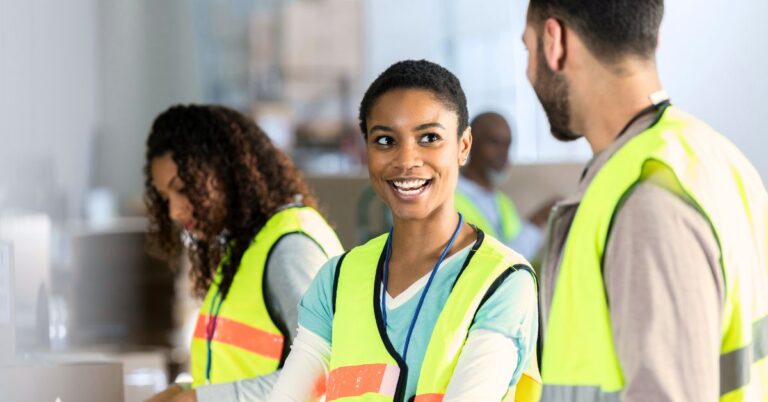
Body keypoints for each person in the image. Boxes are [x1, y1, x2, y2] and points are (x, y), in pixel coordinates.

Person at [522, 0, 768, 400]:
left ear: (554, 42)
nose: (528, 70)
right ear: (652, 36)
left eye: (527, 50)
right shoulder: (715, 156)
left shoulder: (645, 198)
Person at [264, 60, 540, 402]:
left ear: (463, 145)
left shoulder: (502, 281)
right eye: (385, 140)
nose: (407, 159)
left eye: (429, 137)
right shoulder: (336, 280)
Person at [142, 105, 344, 402]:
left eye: (183, 188)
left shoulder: (290, 246)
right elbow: (233, 369)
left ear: (226, 168)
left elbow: (325, 372)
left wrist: (199, 400)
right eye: (166, 198)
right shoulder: (244, 249)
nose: (174, 210)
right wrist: (183, 389)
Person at [456, 112, 544, 260]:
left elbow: (520, 258)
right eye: (494, 143)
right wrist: (538, 220)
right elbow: (493, 260)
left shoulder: (503, 202)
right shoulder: (448, 199)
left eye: (507, 145)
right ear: (468, 143)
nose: (503, 154)